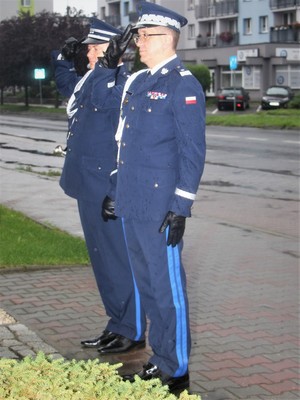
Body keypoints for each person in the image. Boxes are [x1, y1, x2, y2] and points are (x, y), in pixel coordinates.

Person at [101, 1, 206, 393]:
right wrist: (115, 191)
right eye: (139, 36)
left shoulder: (183, 84)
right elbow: (123, 143)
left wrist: (181, 206)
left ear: (168, 39)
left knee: (167, 290)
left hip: (161, 207)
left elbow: (192, 151)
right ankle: (159, 358)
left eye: (146, 36)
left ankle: (176, 369)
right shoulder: (139, 82)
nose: (139, 43)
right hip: (132, 201)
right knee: (147, 286)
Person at [51, 18, 146, 354]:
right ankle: (115, 323)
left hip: (107, 188)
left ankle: (132, 328)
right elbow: (69, 87)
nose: (88, 52)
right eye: (88, 47)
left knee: (119, 260)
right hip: (86, 185)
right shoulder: (93, 79)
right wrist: (62, 58)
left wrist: (106, 67)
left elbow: (107, 103)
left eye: (94, 47)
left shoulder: (124, 82)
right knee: (102, 259)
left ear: (113, 50)